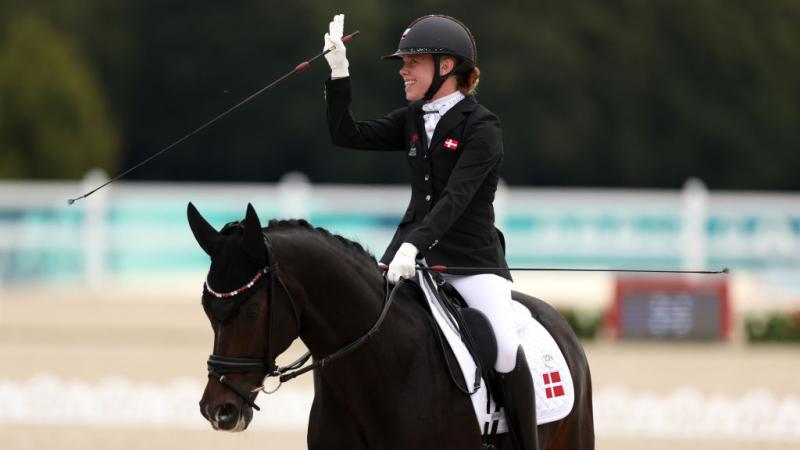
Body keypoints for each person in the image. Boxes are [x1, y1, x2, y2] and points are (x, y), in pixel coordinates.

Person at [323, 14, 538, 449]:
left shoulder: (483, 128)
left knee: (502, 349)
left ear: (447, 67)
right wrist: (339, 71)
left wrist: (413, 245)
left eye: (413, 61)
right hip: (408, 259)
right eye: (404, 62)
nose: (403, 70)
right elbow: (346, 134)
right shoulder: (413, 118)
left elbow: (455, 199)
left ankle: (523, 441)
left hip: (471, 263)